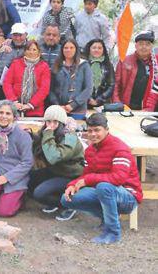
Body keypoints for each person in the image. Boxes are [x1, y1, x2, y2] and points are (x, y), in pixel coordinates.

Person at [61, 113, 142, 244]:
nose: (93, 134)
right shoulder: (90, 150)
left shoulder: (120, 148)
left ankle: (113, 232)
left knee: (103, 187)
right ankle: (107, 218)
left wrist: (88, 180)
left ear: (106, 130)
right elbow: (86, 175)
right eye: (90, 130)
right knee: (67, 199)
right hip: (105, 190)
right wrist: (72, 184)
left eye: (97, 130)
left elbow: (118, 178)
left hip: (128, 195)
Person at [29, 106, 84, 221]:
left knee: (39, 194)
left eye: (55, 122)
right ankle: (56, 200)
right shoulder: (47, 131)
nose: (51, 125)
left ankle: (70, 204)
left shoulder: (70, 137)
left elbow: (54, 156)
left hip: (70, 175)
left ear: (61, 122)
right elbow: (40, 144)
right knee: (28, 180)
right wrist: (31, 135)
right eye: (48, 121)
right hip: (56, 170)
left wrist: (48, 134)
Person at [2, 40, 51, 117]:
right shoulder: (15, 63)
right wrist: (14, 101)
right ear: (24, 51)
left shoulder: (44, 66)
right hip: (15, 109)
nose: (31, 52)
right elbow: (7, 83)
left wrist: (30, 104)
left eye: (34, 50)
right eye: (28, 49)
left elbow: (44, 89)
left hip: (35, 110)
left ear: (39, 52)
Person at [112, 30, 158, 111]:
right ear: (135, 46)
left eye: (147, 44)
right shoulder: (125, 61)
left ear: (151, 47)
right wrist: (117, 103)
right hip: (126, 107)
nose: (144, 47)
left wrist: (150, 108)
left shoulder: (156, 63)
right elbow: (116, 84)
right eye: (141, 44)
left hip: (148, 109)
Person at [49, 39, 93, 120]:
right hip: (59, 109)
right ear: (62, 50)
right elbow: (51, 89)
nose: (68, 50)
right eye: (66, 48)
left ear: (76, 49)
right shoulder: (57, 66)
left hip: (78, 110)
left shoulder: (84, 66)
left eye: (71, 47)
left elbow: (88, 89)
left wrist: (73, 105)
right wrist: (57, 105)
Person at [85, 39, 115, 108]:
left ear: (103, 50)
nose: (96, 50)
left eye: (99, 48)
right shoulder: (83, 64)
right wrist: (89, 99)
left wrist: (99, 99)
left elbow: (111, 85)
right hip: (84, 103)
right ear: (89, 49)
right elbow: (79, 84)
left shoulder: (108, 65)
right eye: (94, 48)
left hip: (103, 103)